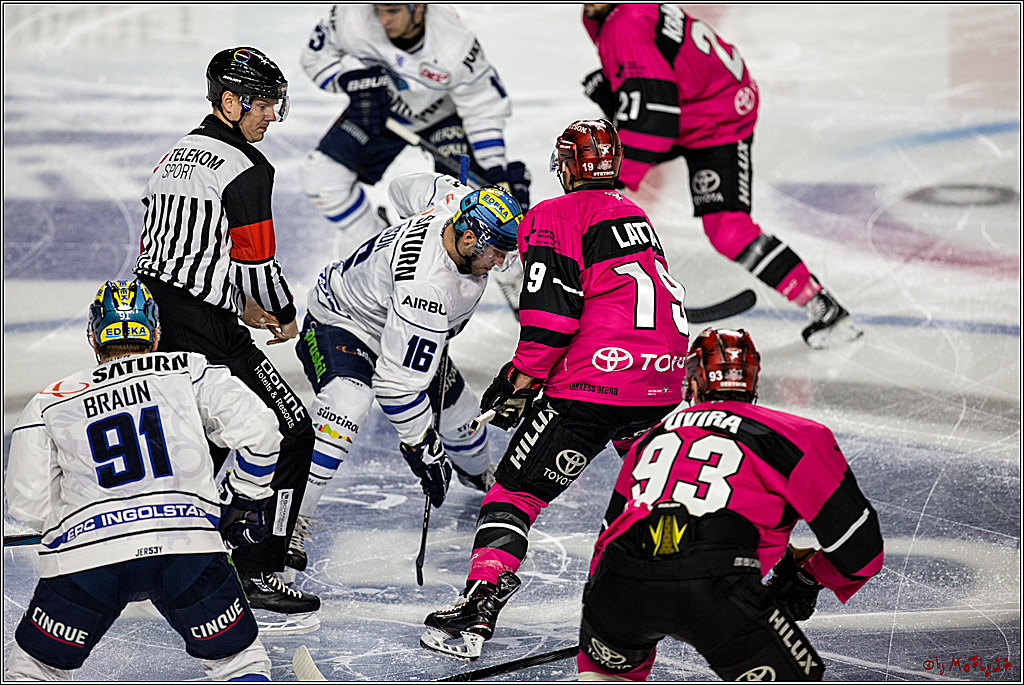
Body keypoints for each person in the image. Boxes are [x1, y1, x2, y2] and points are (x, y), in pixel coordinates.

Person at [420, 119, 691, 660]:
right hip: (663, 379)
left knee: (514, 493)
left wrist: (520, 378)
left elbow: (552, 314)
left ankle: (476, 611)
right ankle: (680, 591)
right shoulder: (635, 215)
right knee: (656, 491)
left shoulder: (554, 214)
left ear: (566, 167)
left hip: (594, 382)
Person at [3, 280, 281, 681]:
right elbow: (262, 434)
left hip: (89, 563)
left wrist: (72, 527)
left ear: (94, 337)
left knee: (35, 668)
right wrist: (245, 499)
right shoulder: (193, 370)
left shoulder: (49, 401)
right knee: (239, 662)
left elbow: (28, 504)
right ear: (154, 333)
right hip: (187, 550)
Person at [576, 327, 884, 681]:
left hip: (619, 585)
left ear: (692, 382)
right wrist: (806, 578)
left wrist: (607, 627)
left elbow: (606, 542)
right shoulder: (798, 436)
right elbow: (862, 551)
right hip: (716, 585)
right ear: (751, 380)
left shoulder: (650, 439)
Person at [133, 46, 320, 626]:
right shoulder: (247, 168)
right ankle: (260, 565)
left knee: (200, 438)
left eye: (274, 103)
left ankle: (156, 548)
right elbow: (259, 262)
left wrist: (238, 306)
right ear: (230, 102)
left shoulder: (175, 155)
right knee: (291, 431)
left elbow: (174, 255)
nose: (271, 115)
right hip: (206, 331)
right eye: (263, 104)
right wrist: (283, 313)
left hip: (157, 320)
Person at [580, 4, 863, 349]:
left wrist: (611, 178)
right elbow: (652, 88)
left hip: (719, 119)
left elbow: (654, 120)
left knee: (729, 229)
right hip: (693, 107)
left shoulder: (624, 22)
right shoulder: (606, 16)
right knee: (599, 177)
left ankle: (822, 305)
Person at [289, 173, 525, 570]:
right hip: (344, 323)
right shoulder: (427, 291)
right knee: (346, 409)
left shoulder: (455, 203)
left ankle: (479, 473)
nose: (500, 262)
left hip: (400, 324)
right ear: (468, 240)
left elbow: (402, 188)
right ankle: (289, 520)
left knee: (465, 423)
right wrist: (422, 448)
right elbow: (396, 387)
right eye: (496, 252)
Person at [298, 3, 531, 315]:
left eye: (393, 10)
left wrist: (494, 170)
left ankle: (515, 276)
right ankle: (381, 253)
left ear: (419, 7)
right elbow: (314, 58)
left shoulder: (454, 45)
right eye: (379, 9)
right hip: (382, 106)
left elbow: (482, 107)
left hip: (445, 115)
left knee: (471, 202)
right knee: (322, 177)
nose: (383, 19)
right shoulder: (351, 16)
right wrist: (351, 81)